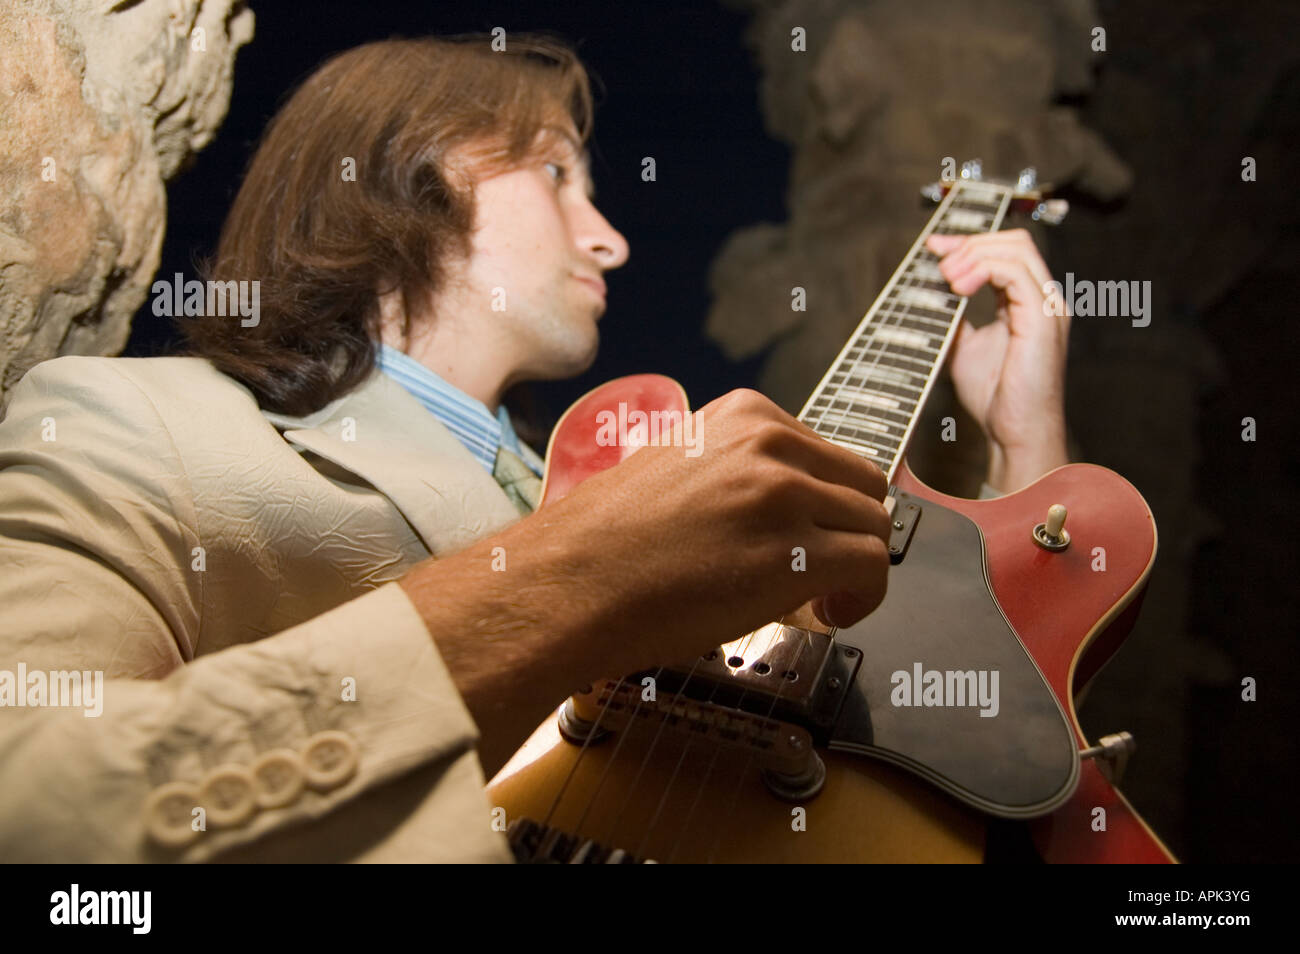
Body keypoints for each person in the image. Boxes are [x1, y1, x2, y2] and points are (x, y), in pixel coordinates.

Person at [0, 33, 1069, 862]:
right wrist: (572, 578)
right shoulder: (128, 416)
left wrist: (1024, 451)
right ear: (417, 166)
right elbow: (31, 803)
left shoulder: (615, 466)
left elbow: (995, 751)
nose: (611, 237)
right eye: (561, 176)